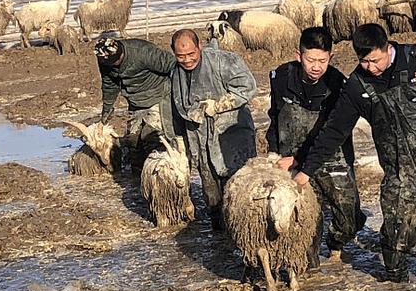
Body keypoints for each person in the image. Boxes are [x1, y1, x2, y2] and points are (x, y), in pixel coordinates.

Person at [292, 23, 416, 291]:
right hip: (400, 168)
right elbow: (335, 131)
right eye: (364, 61)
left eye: (375, 59)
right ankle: (397, 280)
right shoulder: (357, 86)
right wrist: (306, 170)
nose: (371, 67)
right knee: (400, 235)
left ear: (387, 48)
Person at [267, 27, 366, 264]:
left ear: (331, 57)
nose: (316, 66)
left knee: (349, 214)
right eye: (310, 59)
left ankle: (336, 242)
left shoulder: (339, 84)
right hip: (290, 154)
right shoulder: (280, 77)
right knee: (303, 216)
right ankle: (308, 260)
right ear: (298, 55)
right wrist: (274, 155)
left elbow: (332, 132)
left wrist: (302, 159)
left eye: (322, 60)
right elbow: (275, 116)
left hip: (332, 153)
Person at [170, 28, 257, 229]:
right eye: (180, 56)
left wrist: (219, 105)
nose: (187, 60)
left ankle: (244, 230)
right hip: (199, 140)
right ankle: (219, 233)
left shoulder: (223, 61)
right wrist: (180, 141)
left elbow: (248, 87)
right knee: (211, 191)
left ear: (200, 45)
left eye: (191, 54)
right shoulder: (175, 72)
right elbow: (176, 107)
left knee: (238, 187)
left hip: (230, 135)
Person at [95, 37, 176, 169]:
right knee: (133, 142)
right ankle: (138, 177)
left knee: (153, 138)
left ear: (121, 52)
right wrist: (107, 109)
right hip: (135, 102)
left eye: (116, 61)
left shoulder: (142, 52)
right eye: (110, 63)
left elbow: (172, 65)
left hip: (158, 96)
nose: (114, 65)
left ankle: (163, 172)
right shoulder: (104, 59)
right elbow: (109, 84)